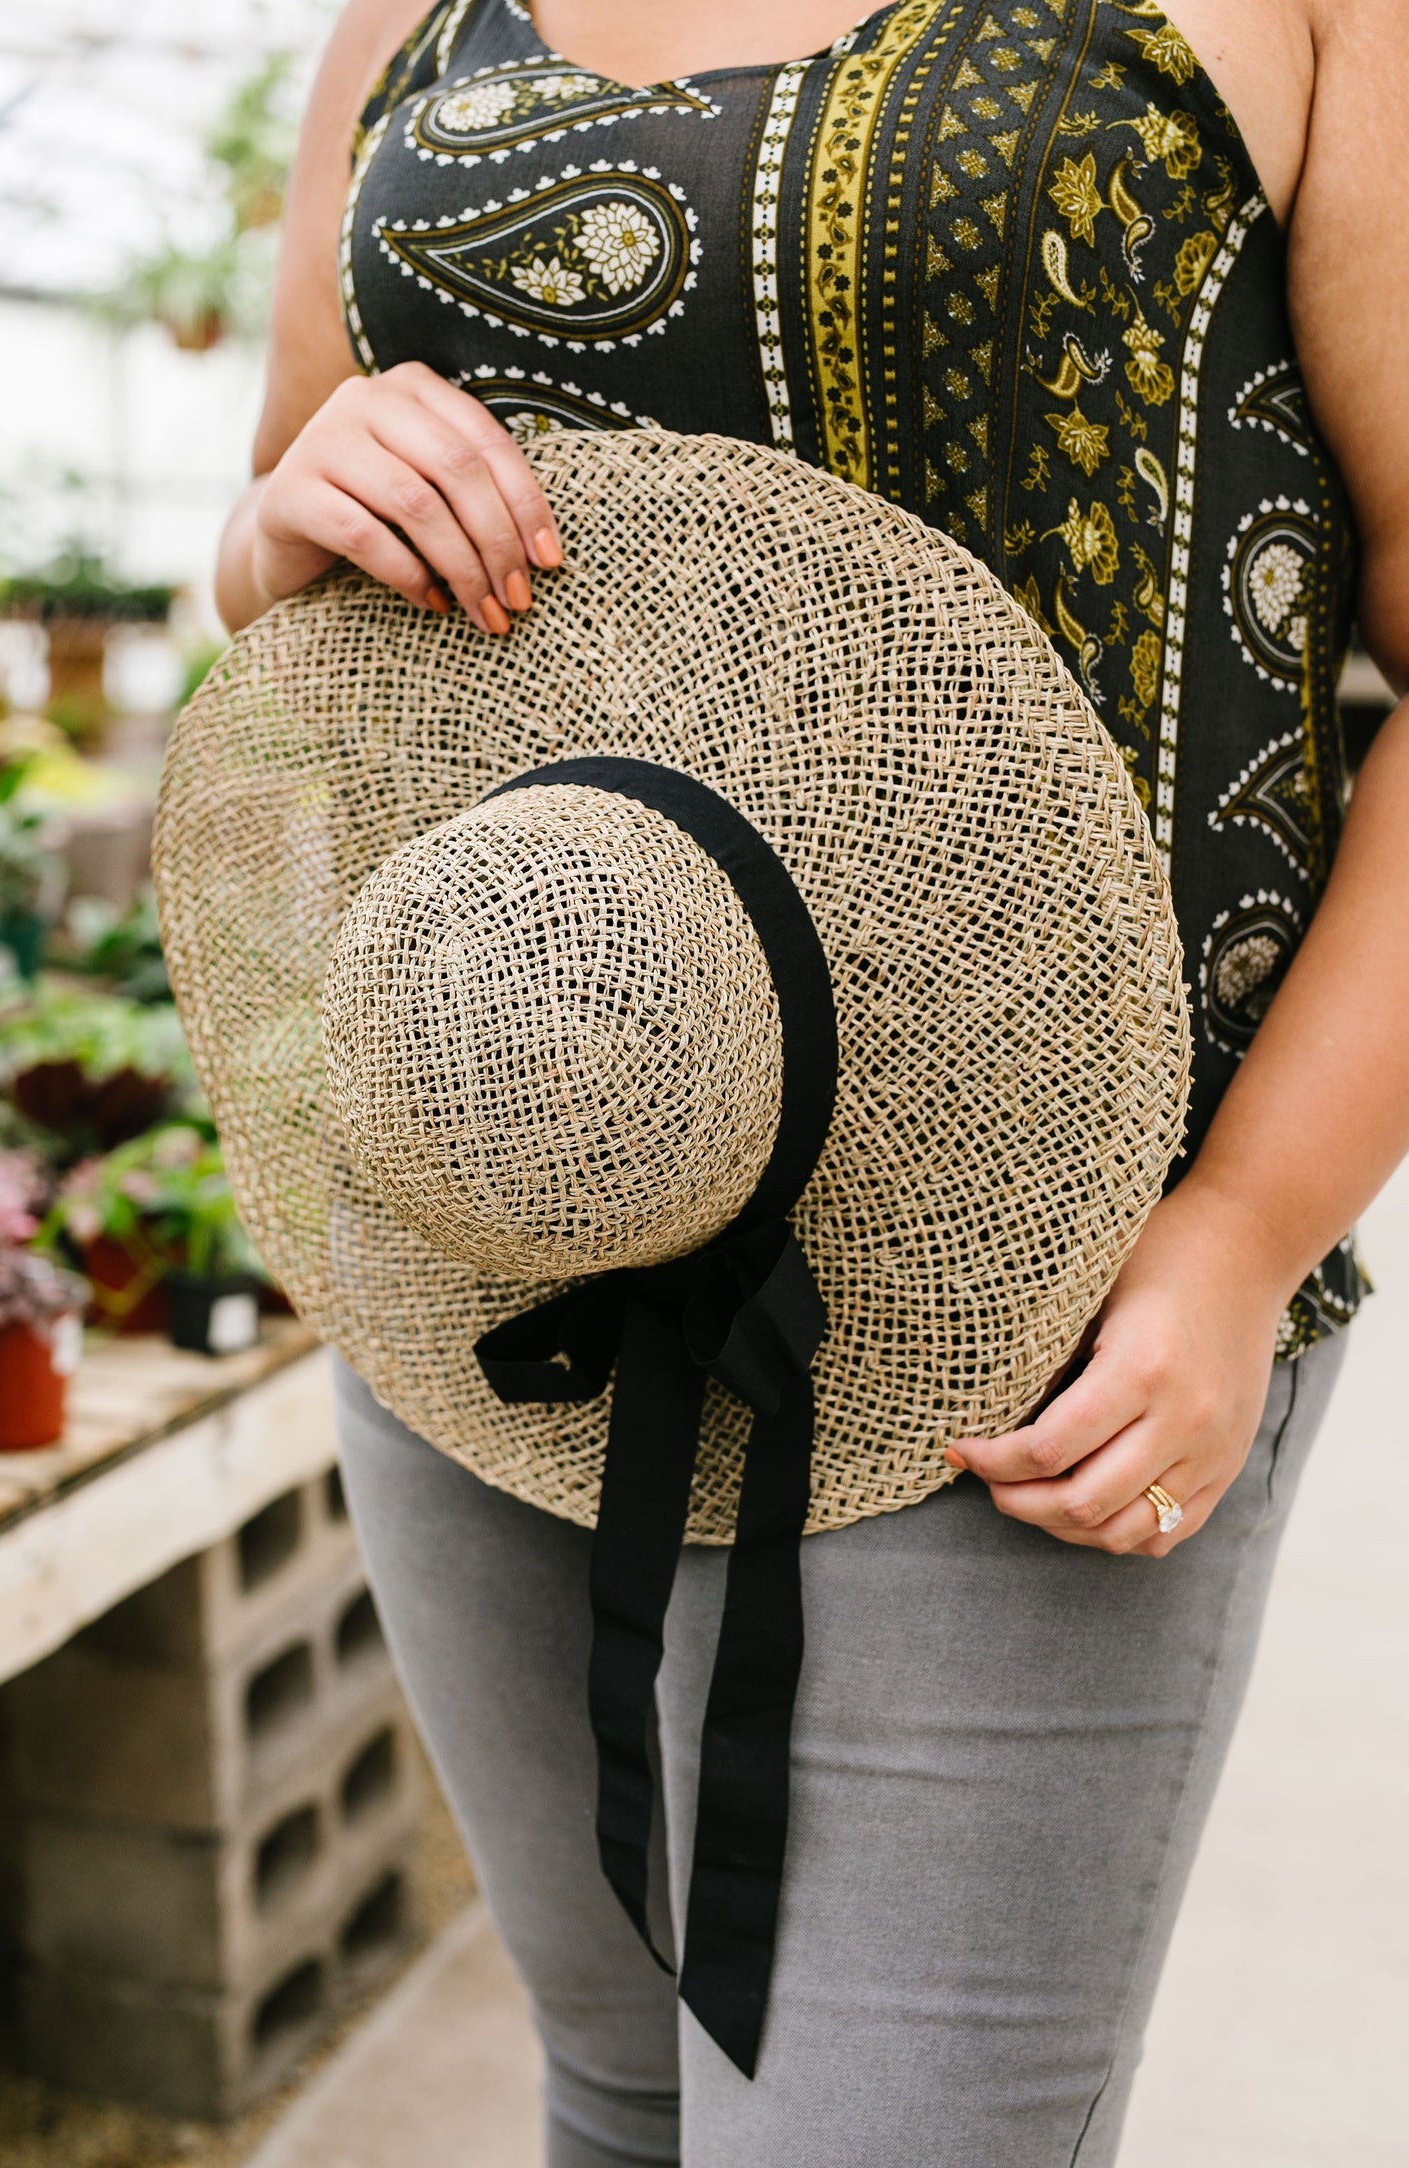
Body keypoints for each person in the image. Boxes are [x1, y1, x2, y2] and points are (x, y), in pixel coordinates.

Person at [213, 4, 1409, 2161]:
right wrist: (293, 525)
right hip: (511, 1205)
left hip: (1046, 1282)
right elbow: (275, 551)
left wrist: (1243, 1235)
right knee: (618, 2093)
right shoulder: (402, 14)